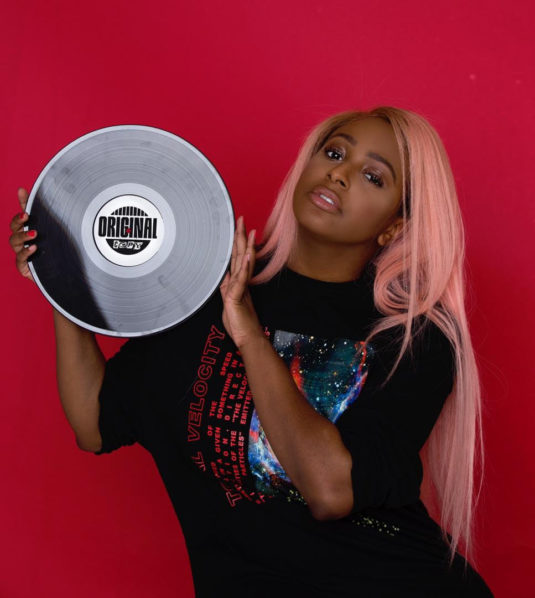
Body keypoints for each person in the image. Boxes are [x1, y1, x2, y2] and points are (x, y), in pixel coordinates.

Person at [10, 106, 494, 597]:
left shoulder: (412, 338)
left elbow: (330, 490)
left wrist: (248, 336)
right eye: (334, 153)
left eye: (373, 176)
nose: (340, 174)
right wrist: (62, 279)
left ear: (395, 226)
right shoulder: (207, 289)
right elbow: (95, 423)